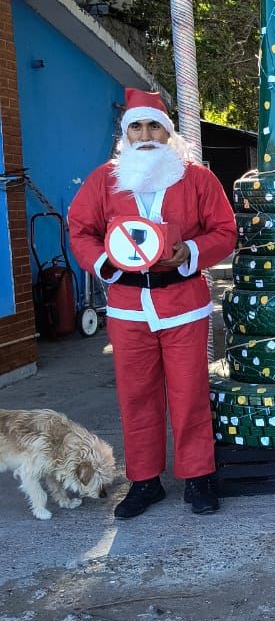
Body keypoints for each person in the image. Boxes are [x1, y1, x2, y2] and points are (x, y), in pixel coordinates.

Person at [68, 89, 237, 518]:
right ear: (126, 134)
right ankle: (144, 482)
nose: (146, 135)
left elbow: (224, 230)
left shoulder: (197, 178)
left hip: (184, 303)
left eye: (154, 126)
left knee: (190, 393)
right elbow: (80, 230)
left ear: (168, 131)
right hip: (127, 307)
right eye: (137, 127)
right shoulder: (103, 180)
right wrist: (104, 263)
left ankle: (198, 477)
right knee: (136, 396)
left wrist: (191, 252)